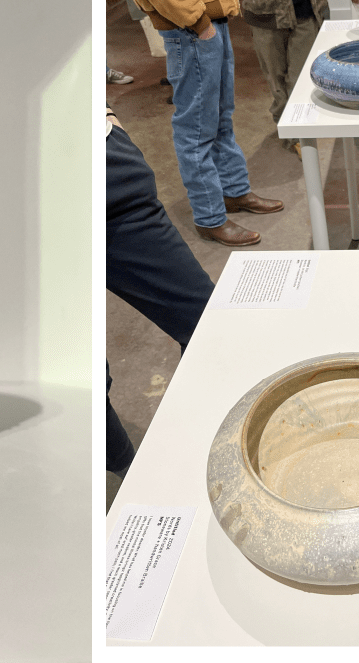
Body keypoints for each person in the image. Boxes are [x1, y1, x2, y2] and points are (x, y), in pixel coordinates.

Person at [107, 0, 284, 248]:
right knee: (196, 128)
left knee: (220, 117)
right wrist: (195, 18)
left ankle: (234, 192)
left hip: (205, 15)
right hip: (190, 22)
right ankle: (209, 215)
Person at [105, 106, 215, 479]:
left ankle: (218, 451)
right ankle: (126, 472)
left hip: (110, 180)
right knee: (79, 373)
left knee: (208, 327)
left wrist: (106, 115)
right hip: (20, 199)